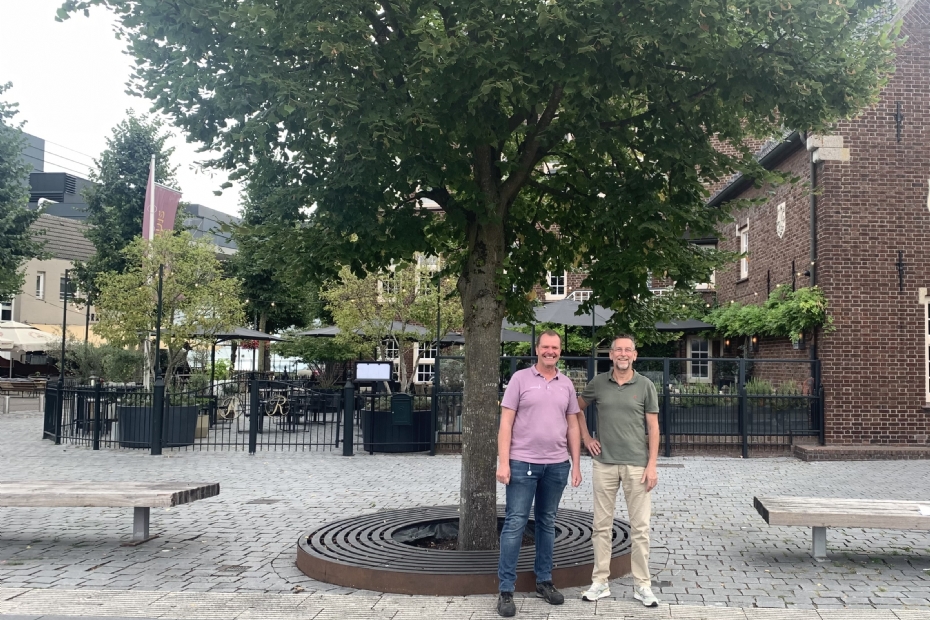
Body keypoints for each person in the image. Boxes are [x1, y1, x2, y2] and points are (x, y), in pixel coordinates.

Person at [496, 330, 582, 618]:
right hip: (523, 463)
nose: (550, 351)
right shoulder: (520, 379)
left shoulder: (566, 384)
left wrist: (577, 465)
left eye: (555, 347)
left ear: (560, 351)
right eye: (545, 346)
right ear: (537, 349)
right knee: (515, 523)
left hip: (557, 465)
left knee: (547, 522)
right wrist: (503, 462)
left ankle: (544, 581)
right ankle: (506, 589)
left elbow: (572, 426)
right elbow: (506, 423)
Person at [577, 334, 660, 607]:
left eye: (628, 350)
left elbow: (653, 428)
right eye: (618, 350)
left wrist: (652, 465)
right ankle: (600, 582)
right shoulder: (598, 383)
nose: (623, 354)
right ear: (610, 355)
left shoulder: (645, 385)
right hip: (604, 465)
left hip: (637, 465)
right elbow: (575, 408)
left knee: (641, 529)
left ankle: (642, 586)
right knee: (601, 526)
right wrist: (586, 439)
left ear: (634, 355)